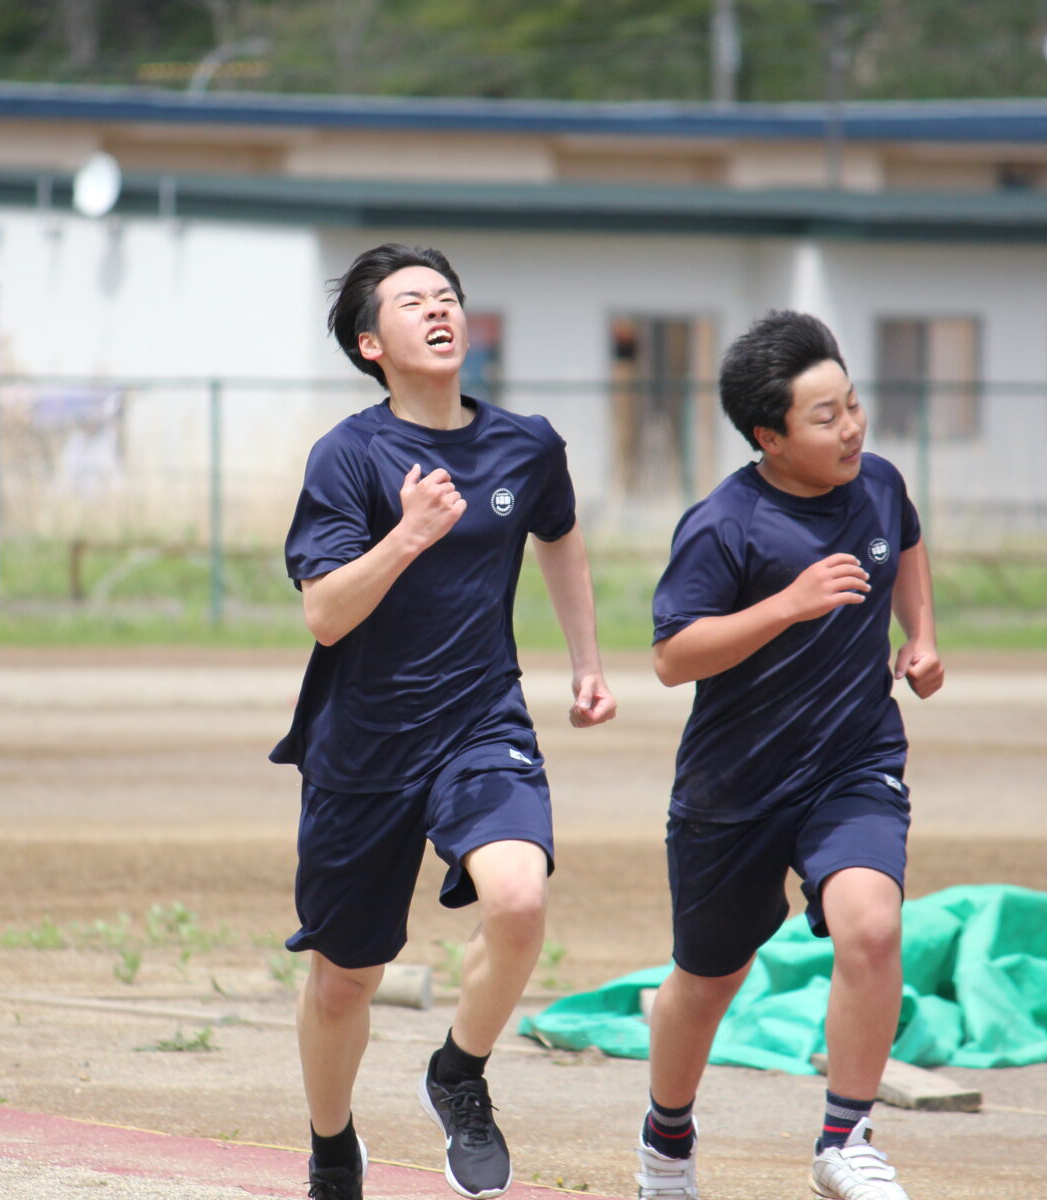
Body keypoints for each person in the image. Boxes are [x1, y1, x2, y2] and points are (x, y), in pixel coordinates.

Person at [272, 244, 617, 1200]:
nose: (440, 311)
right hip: (365, 742)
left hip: (480, 719)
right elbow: (325, 613)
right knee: (347, 977)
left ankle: (458, 1072)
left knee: (518, 898)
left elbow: (559, 533)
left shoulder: (526, 445)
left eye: (450, 297)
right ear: (370, 343)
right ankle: (333, 1147)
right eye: (414, 302)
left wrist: (586, 663)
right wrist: (410, 532)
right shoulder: (350, 456)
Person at [634, 312, 943, 1200]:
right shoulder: (726, 524)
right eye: (824, 416)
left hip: (853, 764)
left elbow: (907, 543)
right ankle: (667, 1140)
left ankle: (845, 1138)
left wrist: (920, 636)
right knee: (707, 980)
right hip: (733, 789)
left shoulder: (878, 485)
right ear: (769, 436)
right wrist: (788, 604)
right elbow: (670, 656)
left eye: (852, 404)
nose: (851, 428)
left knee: (872, 926)